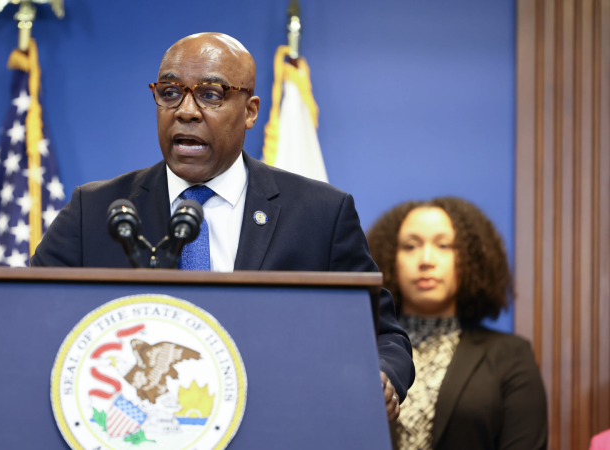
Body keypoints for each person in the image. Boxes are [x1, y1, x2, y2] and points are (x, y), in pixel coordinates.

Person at [29, 32, 414, 417]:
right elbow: (30, 321)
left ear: (250, 111)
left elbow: (381, 335)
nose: (186, 111)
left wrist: (383, 376)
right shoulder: (95, 211)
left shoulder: (320, 213)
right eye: (169, 92)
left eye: (211, 94)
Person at [366, 197, 547, 450]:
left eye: (443, 245)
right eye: (410, 246)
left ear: (471, 258)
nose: (426, 259)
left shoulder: (512, 356)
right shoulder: (362, 351)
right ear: (389, 258)